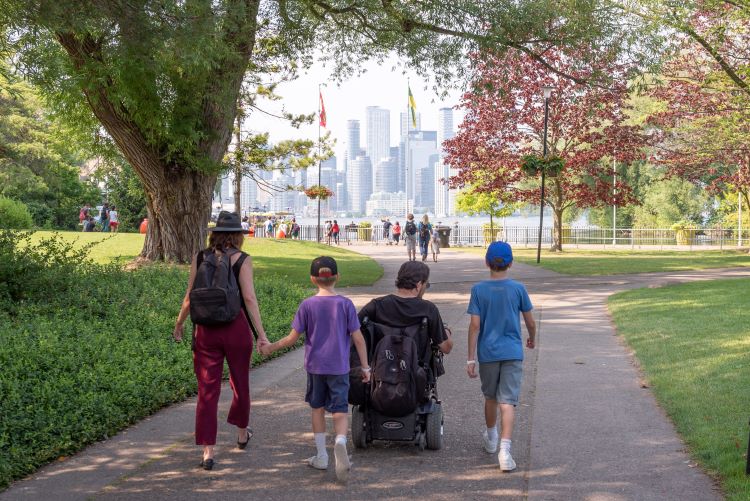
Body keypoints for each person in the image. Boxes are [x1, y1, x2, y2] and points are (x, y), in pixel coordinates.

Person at [172, 211, 270, 471]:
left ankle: (208, 451)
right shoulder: (242, 259)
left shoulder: (200, 257)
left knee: (207, 389)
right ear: (238, 235)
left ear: (214, 233)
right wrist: (261, 333)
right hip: (235, 328)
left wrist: (180, 322)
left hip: (205, 330)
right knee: (240, 382)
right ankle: (240, 433)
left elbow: (190, 295)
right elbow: (249, 299)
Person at [260, 256, 370, 482]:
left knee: (317, 408)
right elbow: (358, 339)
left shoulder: (307, 305)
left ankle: (321, 455)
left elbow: (292, 339)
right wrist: (366, 367)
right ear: (337, 277)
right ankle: (340, 441)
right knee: (339, 409)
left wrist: (270, 348)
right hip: (339, 368)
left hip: (315, 368)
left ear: (313, 279)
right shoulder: (346, 304)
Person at [466, 241, 536, 472]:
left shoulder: (478, 290)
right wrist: (532, 338)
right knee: (508, 401)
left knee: (490, 397)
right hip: (512, 353)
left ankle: (491, 437)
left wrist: (470, 358)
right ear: (511, 263)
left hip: (488, 353)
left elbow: (475, 326)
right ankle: (505, 452)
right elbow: (530, 322)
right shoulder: (518, 289)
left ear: (486, 262)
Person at [358, 260, 453, 358]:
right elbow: (446, 348)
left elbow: (352, 331)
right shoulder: (428, 309)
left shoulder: (377, 305)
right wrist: (446, 330)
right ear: (419, 285)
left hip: (381, 368)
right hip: (417, 369)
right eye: (426, 284)